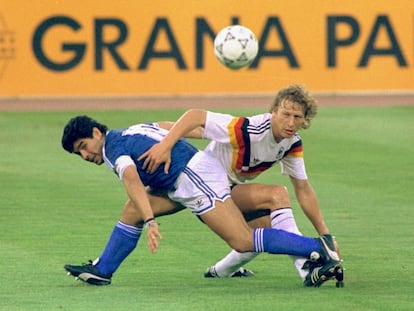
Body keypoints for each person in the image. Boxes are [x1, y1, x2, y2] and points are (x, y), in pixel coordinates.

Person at [61, 115, 342, 287]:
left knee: (243, 241)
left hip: (193, 180)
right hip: (183, 179)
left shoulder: (113, 147)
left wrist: (151, 220)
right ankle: (102, 270)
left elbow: (131, 179)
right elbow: (168, 127)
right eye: (79, 154)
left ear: (96, 133)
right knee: (131, 209)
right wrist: (175, 145)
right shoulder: (131, 131)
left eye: (83, 147)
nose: (85, 155)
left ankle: (318, 248)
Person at [139, 84, 343, 283]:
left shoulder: (291, 143)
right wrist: (161, 142)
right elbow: (196, 117)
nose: (290, 122)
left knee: (265, 234)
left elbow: (304, 190)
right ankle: (306, 269)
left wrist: (325, 234)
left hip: (227, 193)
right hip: (208, 194)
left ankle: (220, 271)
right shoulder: (249, 130)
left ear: (304, 120)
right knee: (277, 195)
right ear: (273, 111)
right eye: (285, 114)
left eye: (297, 117)